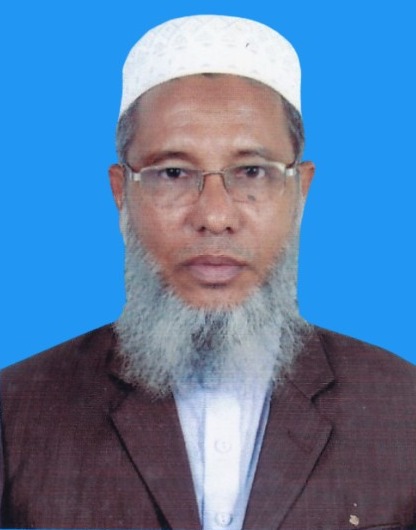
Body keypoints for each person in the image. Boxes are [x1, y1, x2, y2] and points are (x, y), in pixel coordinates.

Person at [1, 14, 415, 530]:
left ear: (299, 192)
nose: (215, 216)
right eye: (173, 172)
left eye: (252, 172)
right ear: (121, 194)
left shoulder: (403, 408)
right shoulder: (16, 412)